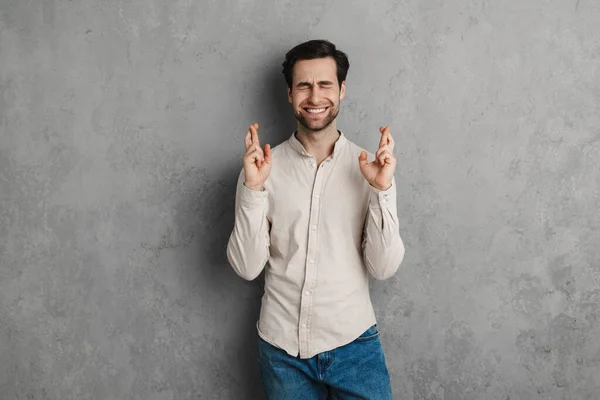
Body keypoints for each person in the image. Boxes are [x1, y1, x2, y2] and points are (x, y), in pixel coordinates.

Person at [226, 39, 405, 399]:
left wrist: (382, 191)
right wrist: (253, 189)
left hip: (354, 344)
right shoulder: (262, 169)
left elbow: (383, 268)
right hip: (281, 351)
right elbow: (247, 267)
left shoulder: (370, 168)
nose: (315, 95)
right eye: (304, 85)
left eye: (325, 84)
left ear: (341, 90)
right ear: (290, 93)